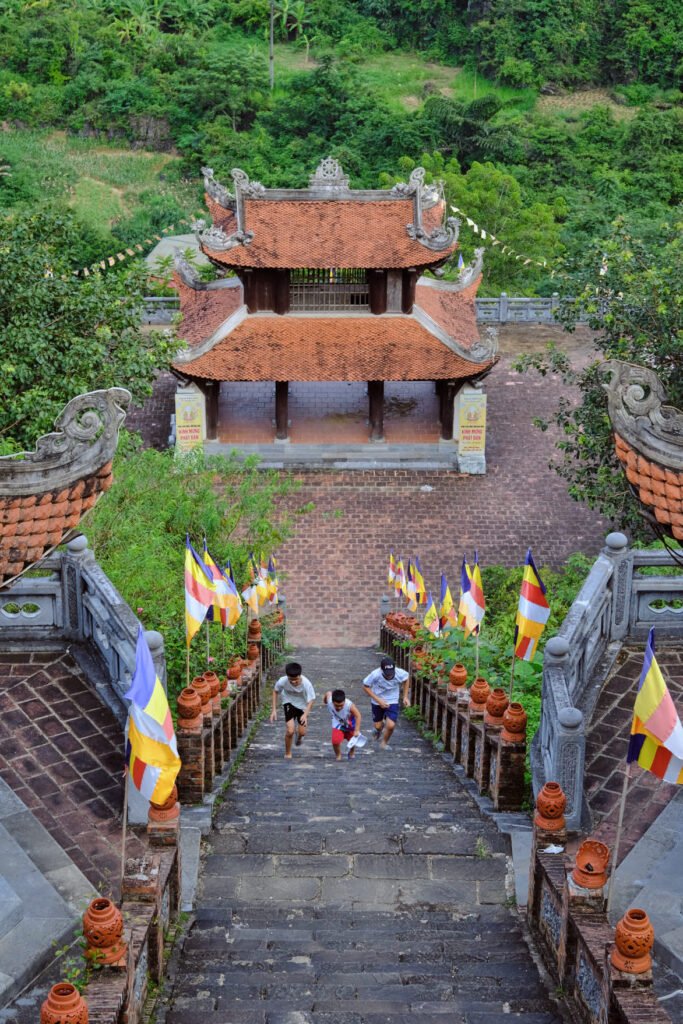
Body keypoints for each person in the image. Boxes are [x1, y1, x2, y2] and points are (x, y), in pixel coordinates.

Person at [362, 656, 410, 749]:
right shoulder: (375, 674)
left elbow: (406, 679)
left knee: (391, 725)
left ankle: (384, 743)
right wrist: (378, 700)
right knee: (378, 726)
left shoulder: (400, 673)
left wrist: (405, 697)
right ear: (381, 669)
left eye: (391, 673)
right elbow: (365, 686)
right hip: (377, 700)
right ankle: (379, 728)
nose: (389, 676)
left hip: (392, 700)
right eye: (387, 674)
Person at [270, 661, 316, 759]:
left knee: (302, 732)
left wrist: (305, 714)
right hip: (289, 703)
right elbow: (275, 691)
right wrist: (273, 710)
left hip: (302, 706)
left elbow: (312, 700)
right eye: (291, 679)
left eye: (296, 679)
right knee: (290, 730)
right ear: (287, 676)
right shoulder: (283, 680)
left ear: (300, 676)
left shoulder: (306, 684)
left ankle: (299, 737)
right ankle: (288, 753)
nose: (294, 682)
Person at [323, 688, 362, 761]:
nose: (339, 707)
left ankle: (352, 751)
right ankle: (338, 755)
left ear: (344, 701)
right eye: (336, 705)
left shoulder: (350, 705)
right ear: (332, 702)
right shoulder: (329, 700)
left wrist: (357, 730)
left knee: (352, 740)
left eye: (341, 705)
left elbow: (358, 715)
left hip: (350, 724)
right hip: (338, 723)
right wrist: (324, 701)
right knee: (335, 741)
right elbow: (328, 693)